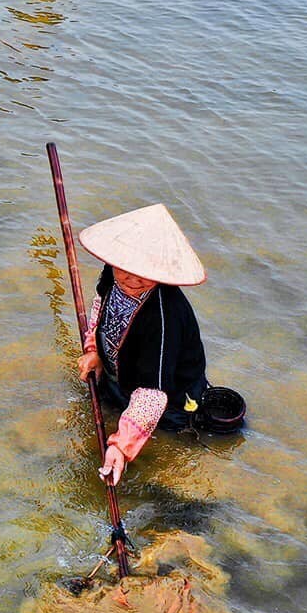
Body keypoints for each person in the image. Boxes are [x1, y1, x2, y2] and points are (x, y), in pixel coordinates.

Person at [74, 203, 210, 485]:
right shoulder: (113, 275)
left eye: (143, 272)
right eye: (124, 268)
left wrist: (121, 446)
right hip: (121, 373)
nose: (131, 278)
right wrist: (94, 351)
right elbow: (101, 306)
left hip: (169, 396)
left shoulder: (164, 316)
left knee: (167, 439)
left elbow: (152, 393)